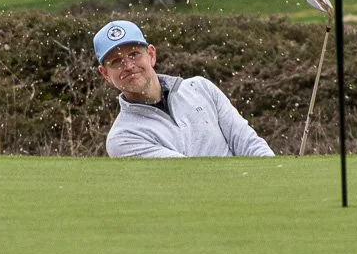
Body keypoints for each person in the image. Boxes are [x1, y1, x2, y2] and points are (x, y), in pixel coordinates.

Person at [93, 20, 274, 159]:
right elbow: (189, 174)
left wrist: (277, 175)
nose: (129, 65)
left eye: (134, 54)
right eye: (116, 61)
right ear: (105, 74)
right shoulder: (123, 138)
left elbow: (248, 143)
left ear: (151, 55)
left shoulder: (201, 88)